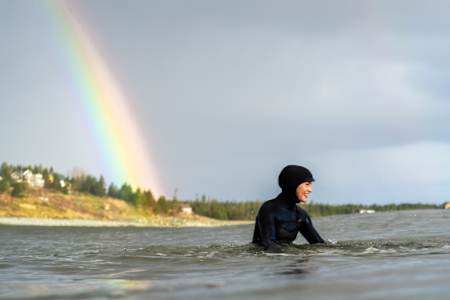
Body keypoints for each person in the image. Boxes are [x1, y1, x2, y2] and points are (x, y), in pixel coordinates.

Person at [252, 165, 325, 252]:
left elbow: (318, 244)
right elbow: (268, 244)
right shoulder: (269, 209)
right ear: (292, 185)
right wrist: (294, 255)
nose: (310, 189)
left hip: (287, 260)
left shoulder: (301, 215)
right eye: (307, 184)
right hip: (266, 261)